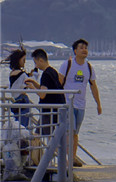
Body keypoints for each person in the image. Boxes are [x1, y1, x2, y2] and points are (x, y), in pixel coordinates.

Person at [58, 38, 102, 166]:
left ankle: (72, 157)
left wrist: (98, 104)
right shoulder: (67, 64)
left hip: (81, 105)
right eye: (81, 48)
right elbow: (59, 82)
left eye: (86, 48)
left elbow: (93, 86)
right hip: (67, 103)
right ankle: (66, 158)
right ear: (75, 50)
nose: (84, 50)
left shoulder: (88, 67)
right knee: (69, 131)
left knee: (75, 133)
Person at [25, 49, 65, 136]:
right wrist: (35, 84)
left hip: (48, 111)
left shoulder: (45, 75)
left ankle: (52, 150)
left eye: (35, 62)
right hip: (55, 109)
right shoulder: (52, 71)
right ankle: (39, 149)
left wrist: (33, 88)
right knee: (38, 135)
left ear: (41, 60)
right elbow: (46, 89)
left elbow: (42, 94)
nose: (36, 65)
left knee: (48, 138)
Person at [3, 49, 31, 128]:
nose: (24, 62)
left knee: (17, 125)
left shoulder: (12, 73)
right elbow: (29, 82)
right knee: (23, 125)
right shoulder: (22, 74)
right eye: (23, 60)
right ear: (19, 60)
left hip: (16, 100)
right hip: (23, 100)